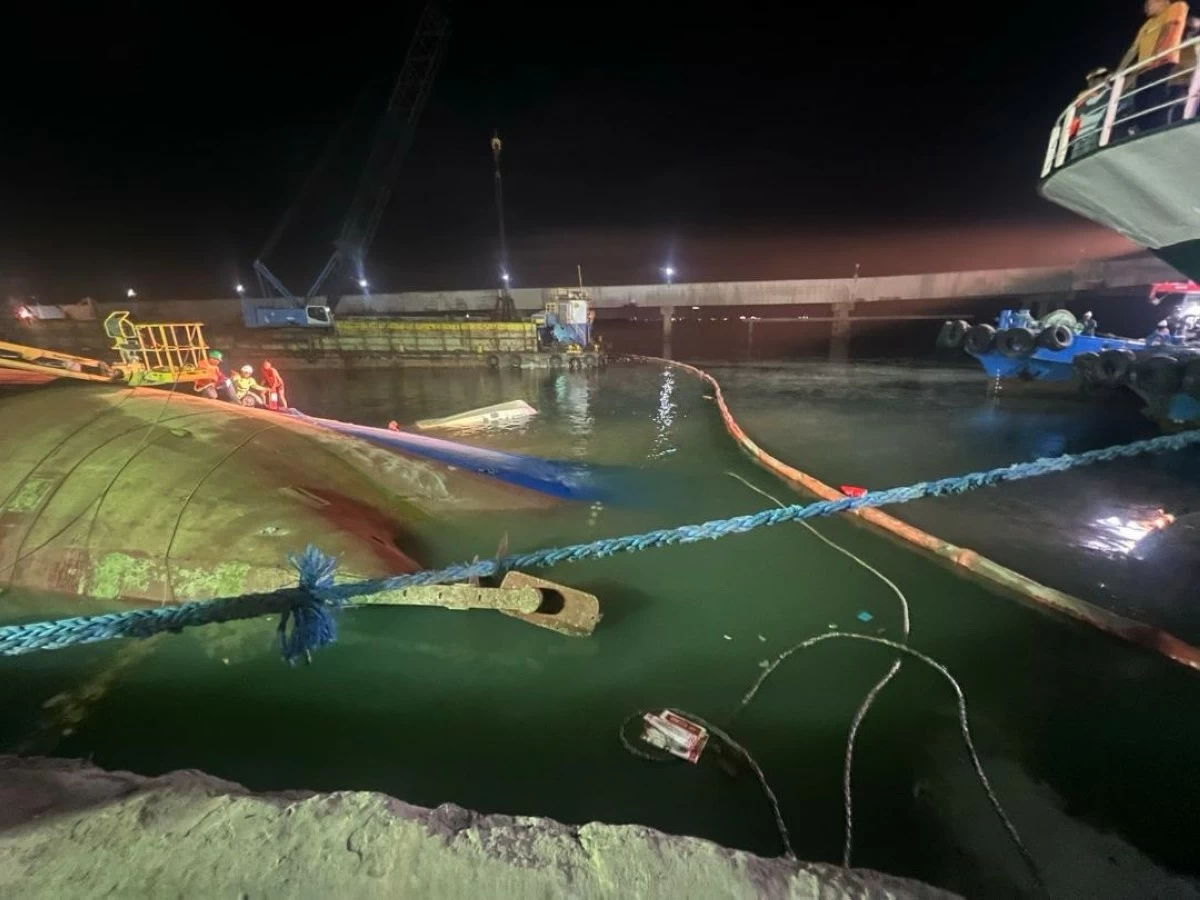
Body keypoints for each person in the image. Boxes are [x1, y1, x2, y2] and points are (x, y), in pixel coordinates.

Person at [1118, 0, 1190, 133]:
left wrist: (1156, 53)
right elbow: (1133, 49)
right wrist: (1119, 71)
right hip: (1143, 71)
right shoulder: (1146, 25)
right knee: (1140, 106)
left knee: (1157, 103)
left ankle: (1160, 133)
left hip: (1163, 64)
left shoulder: (1176, 7)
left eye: (1148, 3)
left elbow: (1169, 27)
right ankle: (1143, 134)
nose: (1145, 7)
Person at [1070, 69, 1111, 157]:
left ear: (1103, 79)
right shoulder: (1087, 97)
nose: (1091, 82)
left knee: (1090, 159)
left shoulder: (1108, 92)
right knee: (1077, 162)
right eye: (1090, 80)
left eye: (1095, 78)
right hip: (1079, 137)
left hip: (1092, 134)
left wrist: (1085, 98)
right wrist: (1084, 97)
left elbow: (1092, 110)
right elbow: (1076, 111)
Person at [1169, 16, 1200, 120]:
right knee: (1191, 95)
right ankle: (1186, 119)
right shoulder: (1187, 38)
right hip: (1184, 77)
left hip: (1190, 74)